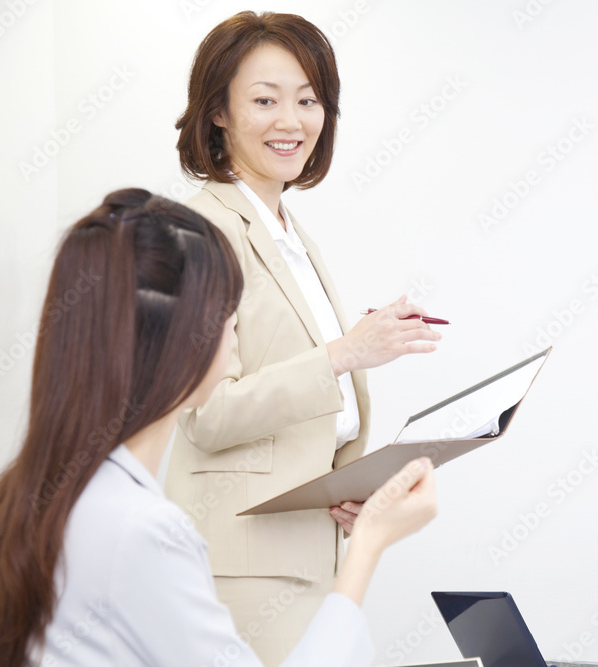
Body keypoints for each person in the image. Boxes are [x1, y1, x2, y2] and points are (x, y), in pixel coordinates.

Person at [0, 189, 437, 667]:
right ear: (181, 341)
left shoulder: (27, 498)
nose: (233, 333)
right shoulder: (144, 533)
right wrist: (371, 542)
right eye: (226, 316)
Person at [165, 11, 443, 663]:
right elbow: (206, 412)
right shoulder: (200, 231)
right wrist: (348, 351)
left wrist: (347, 483)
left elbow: (302, 410)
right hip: (244, 565)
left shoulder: (292, 236)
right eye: (265, 100)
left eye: (308, 100)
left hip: (312, 550)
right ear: (218, 113)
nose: (290, 121)